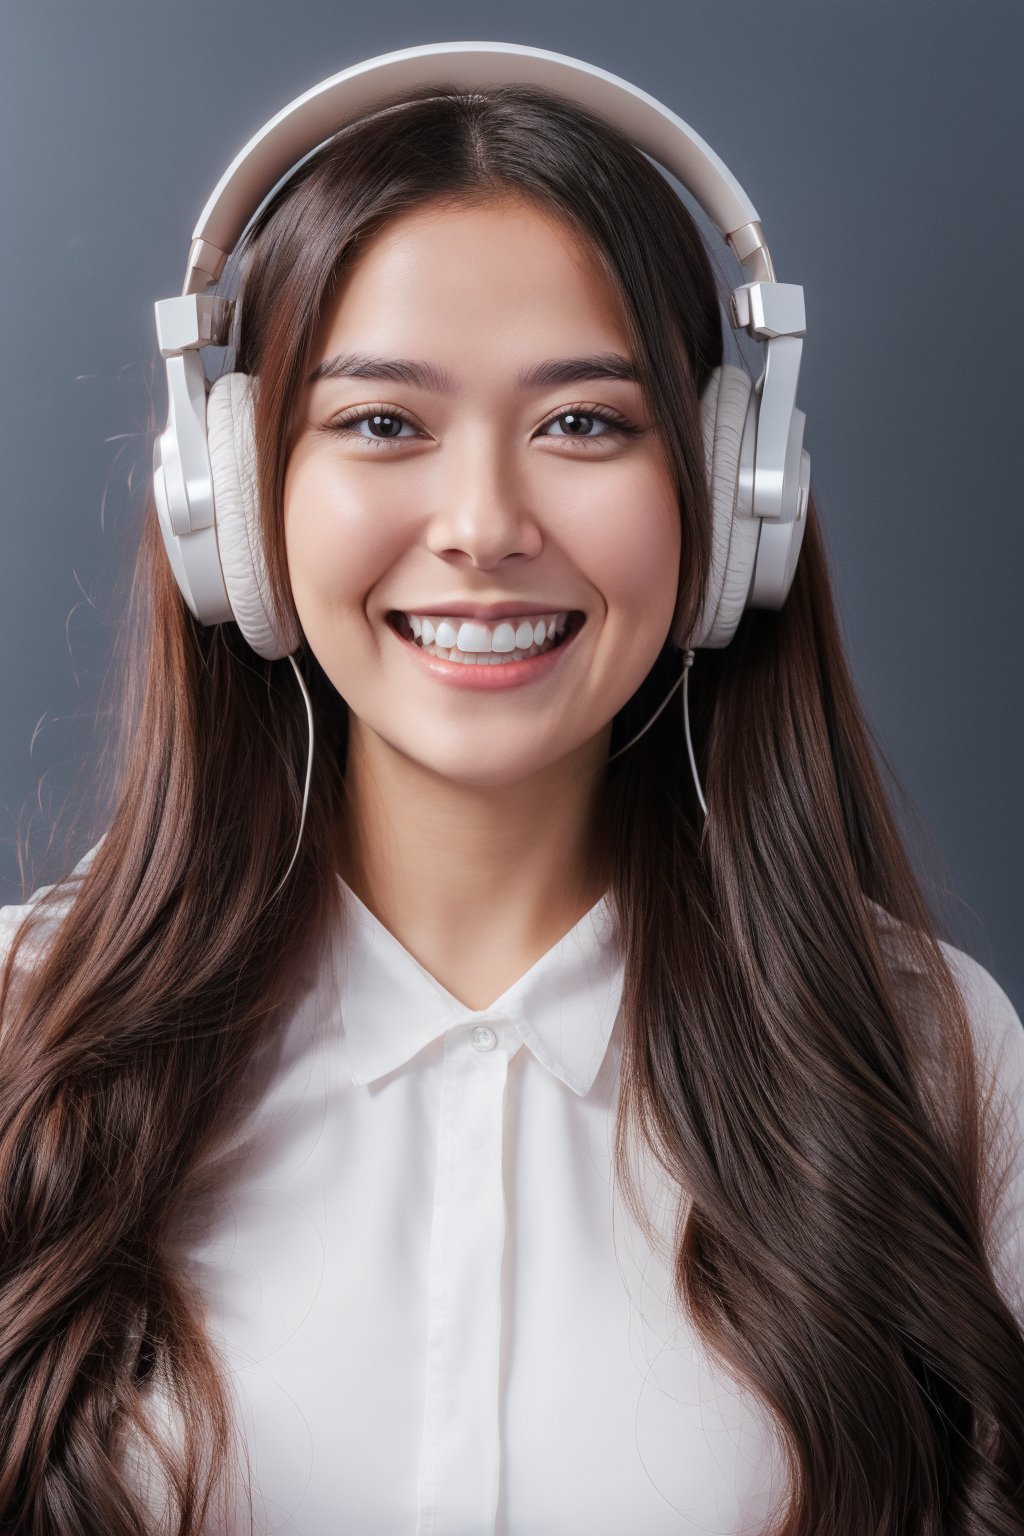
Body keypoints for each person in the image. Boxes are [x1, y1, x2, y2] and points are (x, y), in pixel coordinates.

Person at [1, 41, 1022, 1536]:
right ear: (228, 501)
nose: (482, 526)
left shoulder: (934, 1061)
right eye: (381, 424)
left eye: (585, 424)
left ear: (738, 499)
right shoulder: (27, 1030)